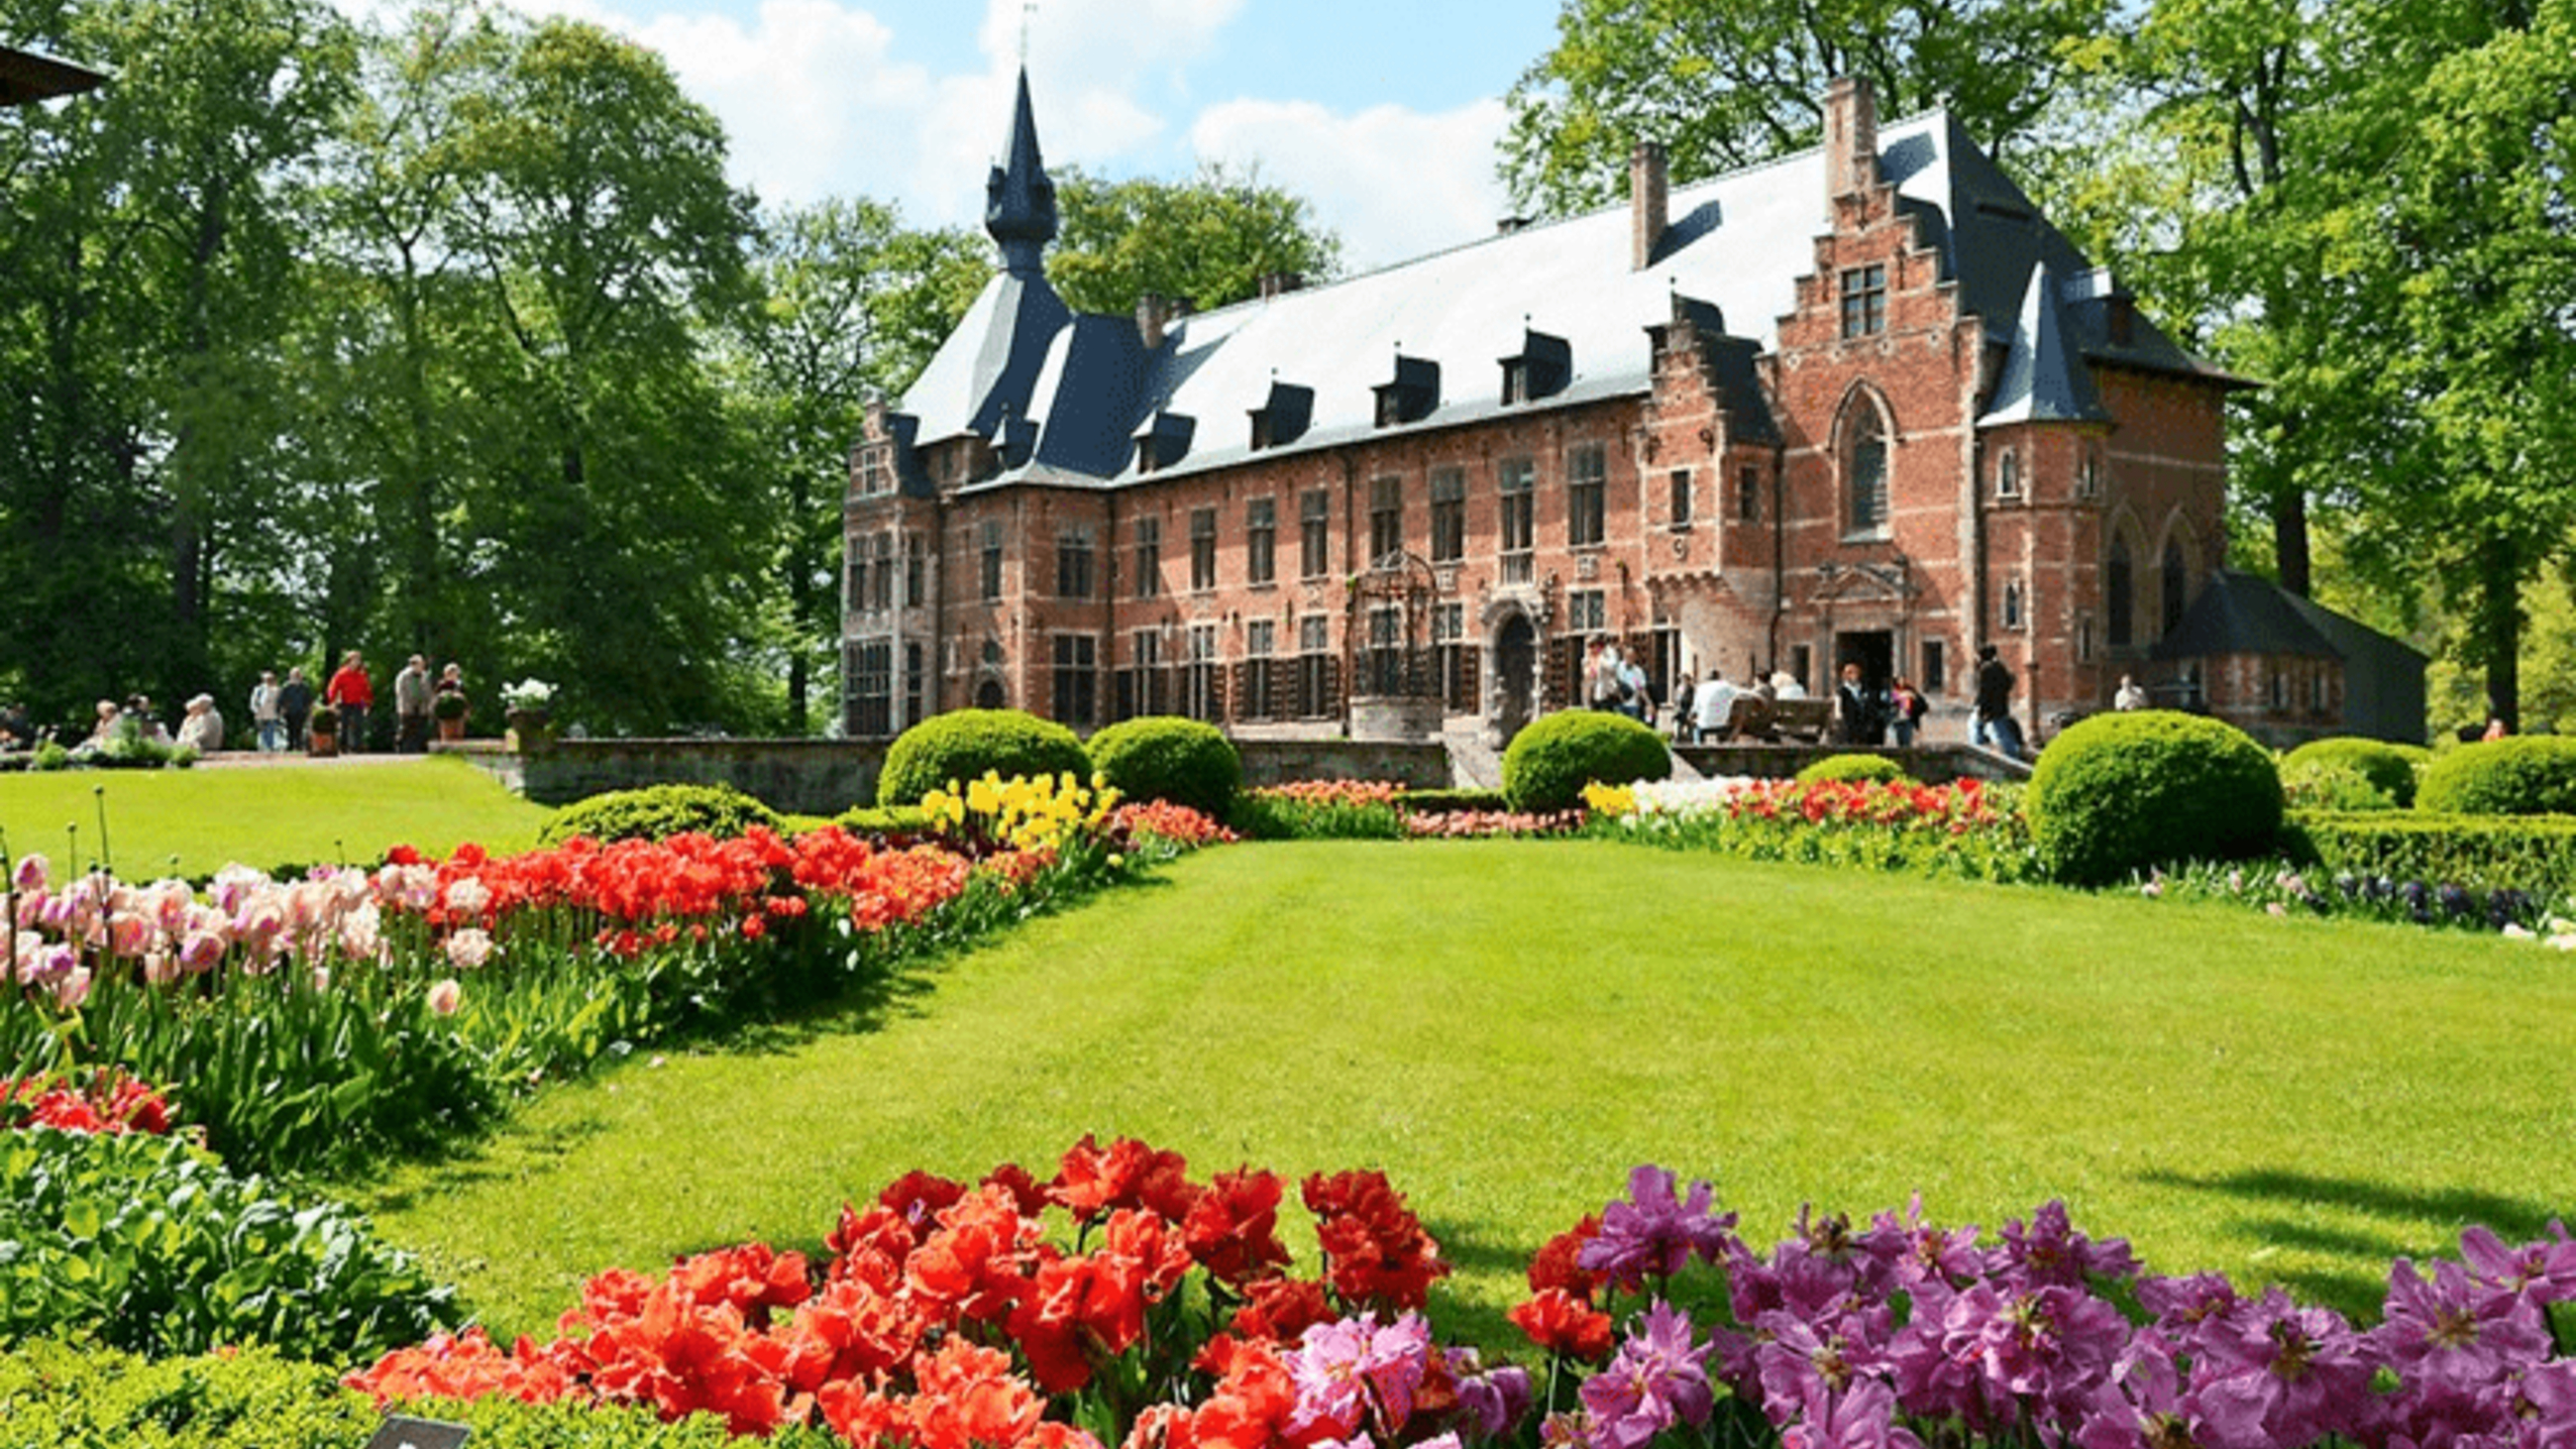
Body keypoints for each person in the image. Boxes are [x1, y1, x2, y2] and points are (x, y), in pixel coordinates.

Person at [1974, 644, 2025, 758]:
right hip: (2001, 707)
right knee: (1996, 730)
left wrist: (1982, 710)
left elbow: (1985, 692)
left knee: (1998, 734)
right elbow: (2009, 681)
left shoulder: (1986, 669)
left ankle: (1979, 752)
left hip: (1992, 709)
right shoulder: (2000, 667)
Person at [326, 651, 374, 753]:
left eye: (358, 660)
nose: (357, 662)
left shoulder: (362, 674)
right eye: (355, 660)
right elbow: (333, 688)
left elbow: (367, 690)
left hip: (358, 703)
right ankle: (343, 747)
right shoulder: (341, 673)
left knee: (358, 725)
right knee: (344, 726)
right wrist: (332, 701)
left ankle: (357, 747)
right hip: (345, 702)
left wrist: (368, 704)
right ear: (349, 661)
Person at [1835, 661, 1886, 745]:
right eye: (1848, 672)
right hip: (1848, 730)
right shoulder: (1841, 692)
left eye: (1854, 672)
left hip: (1864, 731)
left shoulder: (1865, 690)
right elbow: (1838, 713)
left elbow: (1871, 708)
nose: (1851, 675)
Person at [393, 653, 433, 754]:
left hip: (421, 707)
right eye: (419, 664)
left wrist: (428, 705)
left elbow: (428, 692)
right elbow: (401, 692)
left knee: (419, 729)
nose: (421, 667)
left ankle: (416, 750)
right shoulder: (404, 676)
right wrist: (406, 705)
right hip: (407, 707)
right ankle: (401, 749)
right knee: (405, 729)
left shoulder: (424, 676)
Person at [1692, 668, 1739, 742]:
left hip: (1704, 723)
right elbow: (1738, 694)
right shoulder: (1725, 686)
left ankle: (1698, 748)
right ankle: (1723, 747)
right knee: (1728, 730)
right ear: (1719, 677)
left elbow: (1696, 708)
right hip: (1722, 723)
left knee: (1696, 730)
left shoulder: (1701, 688)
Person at [278, 666, 314, 749]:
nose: (296, 677)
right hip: (290, 712)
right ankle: (290, 746)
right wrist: (282, 710)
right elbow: (281, 700)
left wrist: (310, 711)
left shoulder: (304, 687)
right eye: (294, 675)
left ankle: (299, 746)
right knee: (290, 730)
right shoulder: (286, 687)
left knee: (299, 730)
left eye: (297, 675)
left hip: (301, 711)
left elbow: (309, 700)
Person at [249, 671, 284, 752]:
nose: (268, 681)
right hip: (261, 716)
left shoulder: (277, 690)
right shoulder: (258, 690)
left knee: (271, 732)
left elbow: (280, 702)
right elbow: (253, 702)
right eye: (267, 679)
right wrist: (256, 711)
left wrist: (280, 712)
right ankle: (264, 749)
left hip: (272, 715)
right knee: (263, 734)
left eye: (270, 679)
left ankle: (270, 749)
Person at [1887, 676, 1928, 746]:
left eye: (1904, 680)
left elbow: (1923, 706)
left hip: (1907, 721)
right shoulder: (1893, 694)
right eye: (1899, 681)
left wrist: (1914, 698)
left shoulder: (1911, 693)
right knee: (1897, 744)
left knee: (1906, 743)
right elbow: (1890, 706)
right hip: (1895, 721)